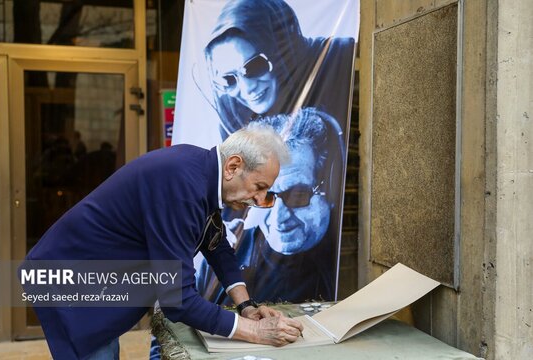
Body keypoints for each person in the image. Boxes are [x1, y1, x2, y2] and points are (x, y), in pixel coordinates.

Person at [23, 124, 304, 360]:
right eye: (260, 187)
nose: (259, 199)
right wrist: (255, 332)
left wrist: (247, 307)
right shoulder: (181, 186)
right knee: (95, 350)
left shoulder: (202, 173)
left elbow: (216, 245)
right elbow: (177, 299)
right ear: (233, 166)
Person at [197, 108, 335, 304]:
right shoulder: (220, 250)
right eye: (263, 195)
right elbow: (175, 308)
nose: (278, 218)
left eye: (297, 195)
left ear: (329, 188)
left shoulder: (342, 266)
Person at [203, 0, 355, 143]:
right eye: (228, 80)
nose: (247, 88)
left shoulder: (340, 58)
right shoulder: (233, 118)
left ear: (279, 51)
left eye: (254, 66)